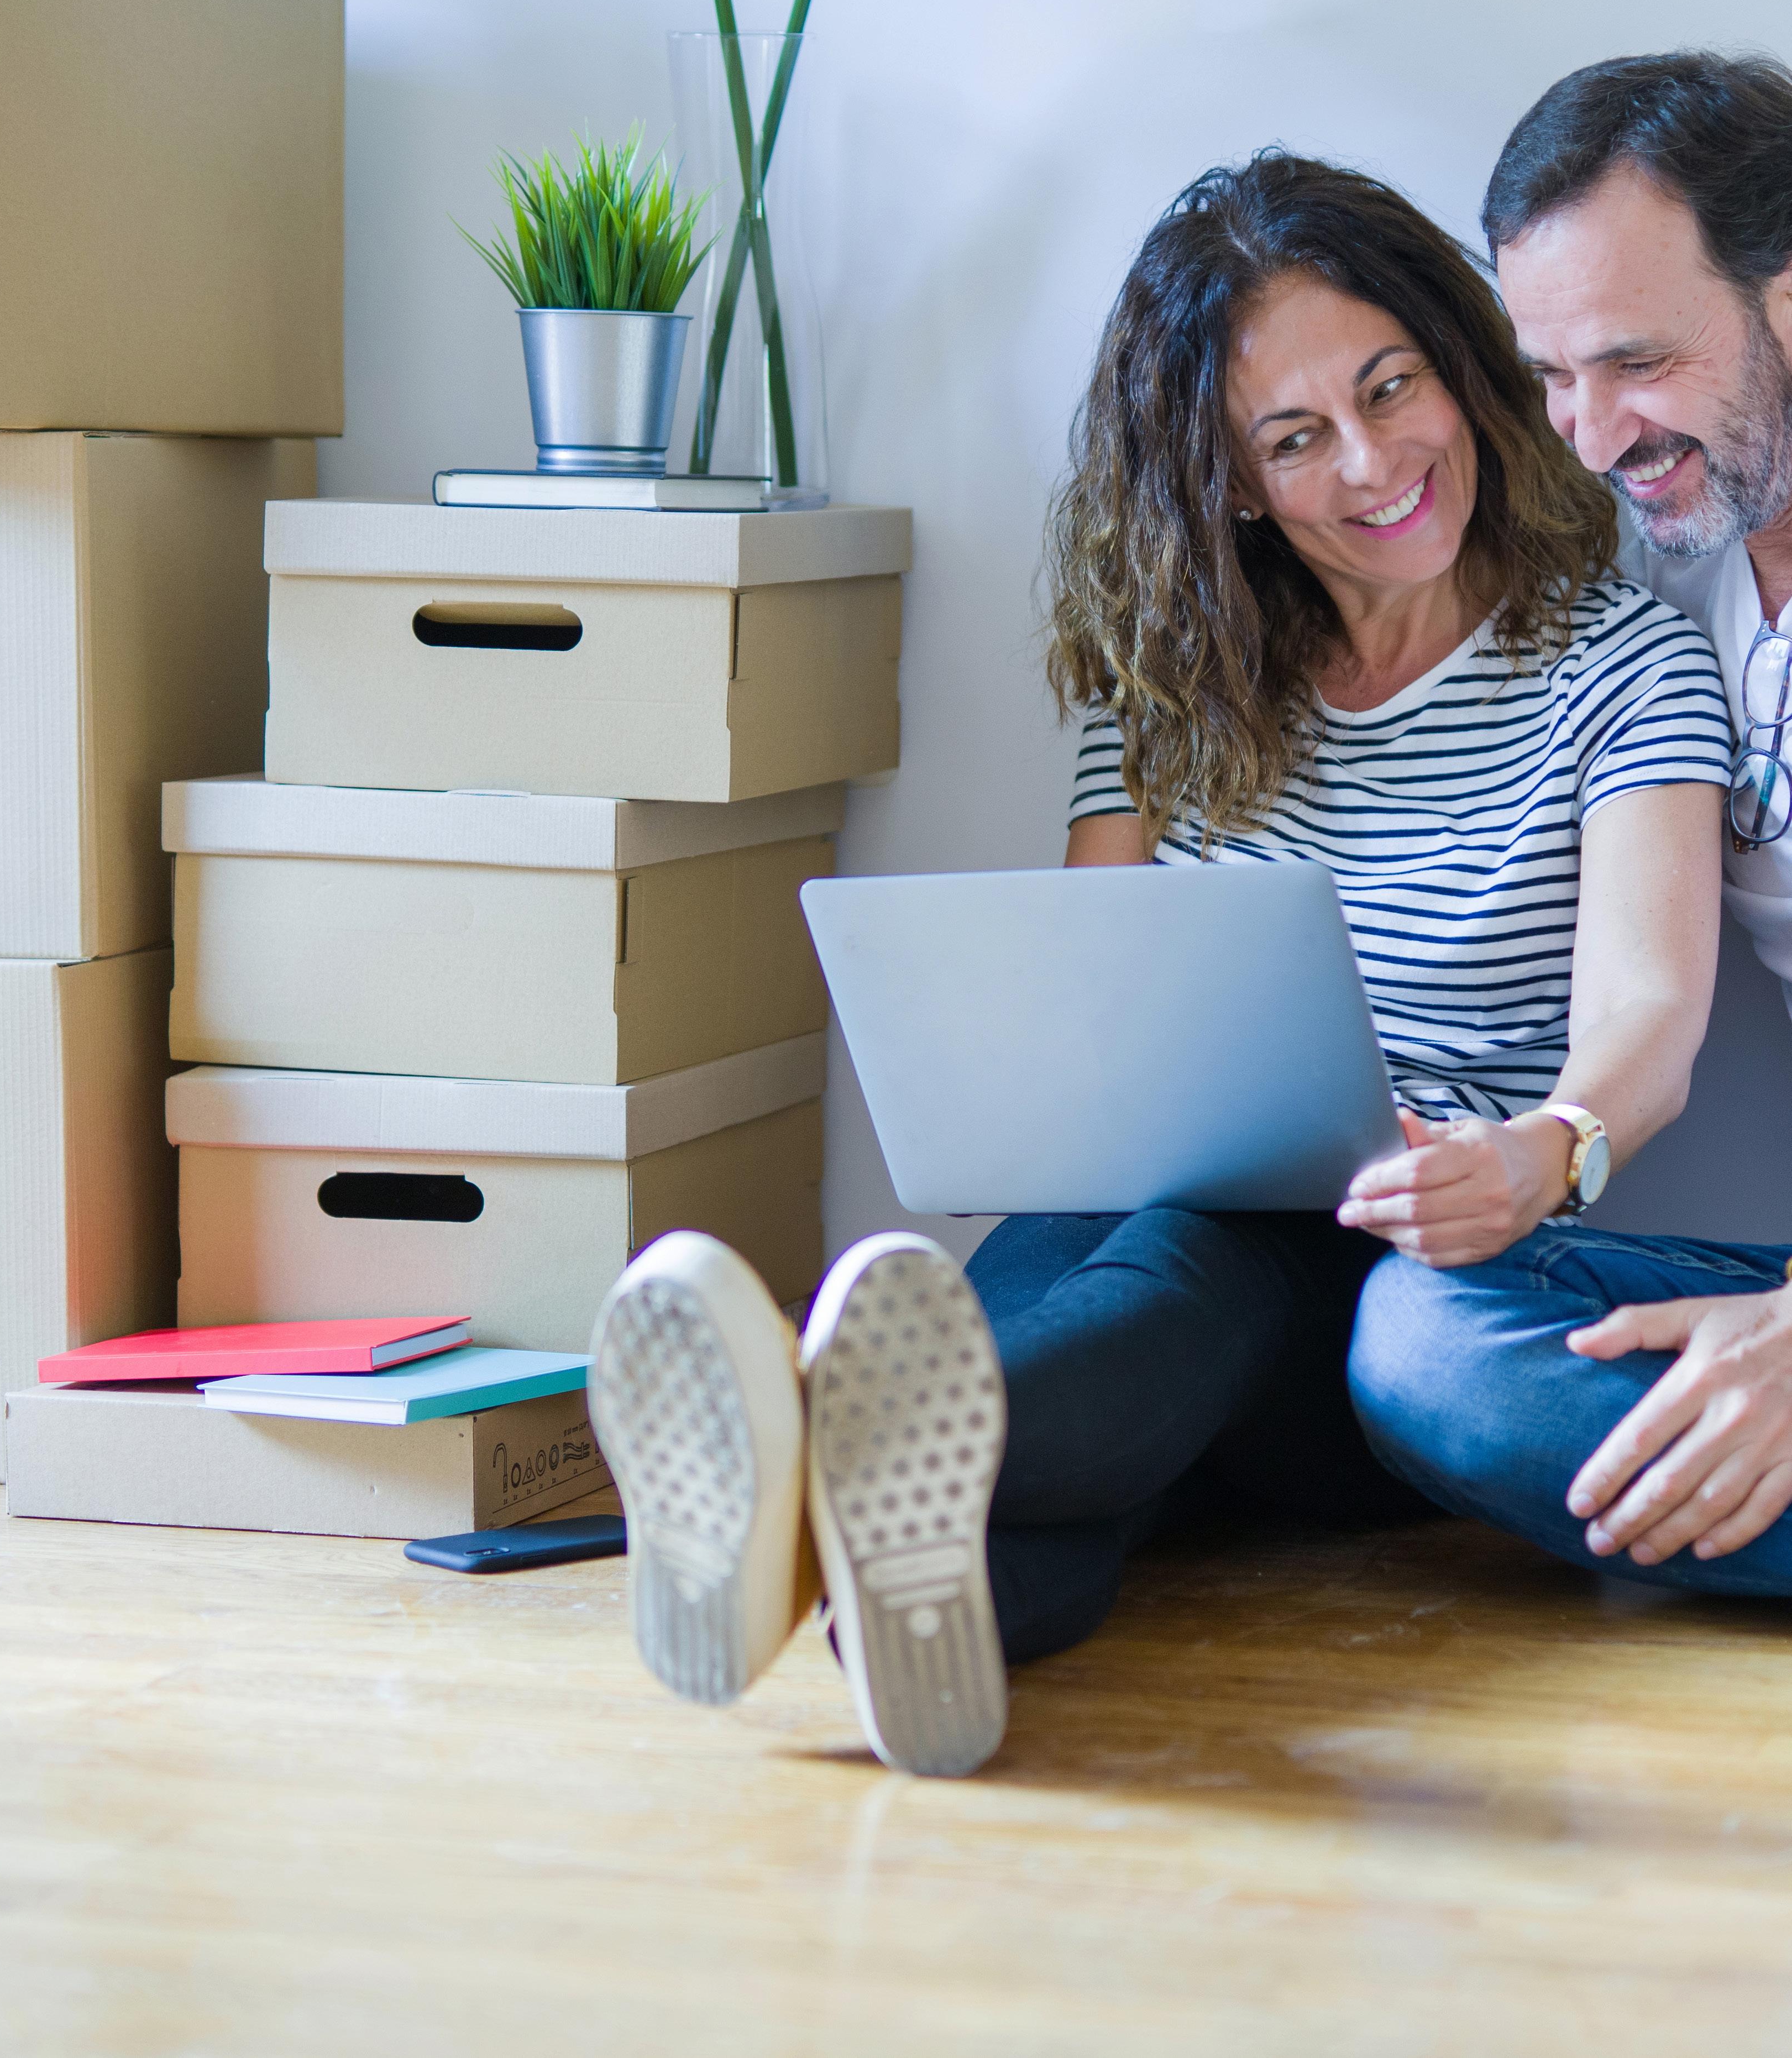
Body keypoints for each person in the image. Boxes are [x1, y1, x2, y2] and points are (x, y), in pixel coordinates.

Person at [588, 152, 1731, 1779]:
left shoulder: (1623, 666)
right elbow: (1097, 1030)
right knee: (1035, 1463)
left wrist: (1543, 1154)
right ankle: (880, 1578)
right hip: (1129, 1280)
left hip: (1391, 1284)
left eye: (1390, 387)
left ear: (1461, 369)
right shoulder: (1170, 693)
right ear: (1235, 485)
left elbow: (1647, 1014)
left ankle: (795, 1431)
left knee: (1187, 1265)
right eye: (1294, 438)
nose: (1373, 461)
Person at [1352, 53, 1792, 1589]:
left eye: (1634, 363)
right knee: (1426, 1342)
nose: (1592, 436)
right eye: (1551, 376)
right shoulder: (1684, 553)